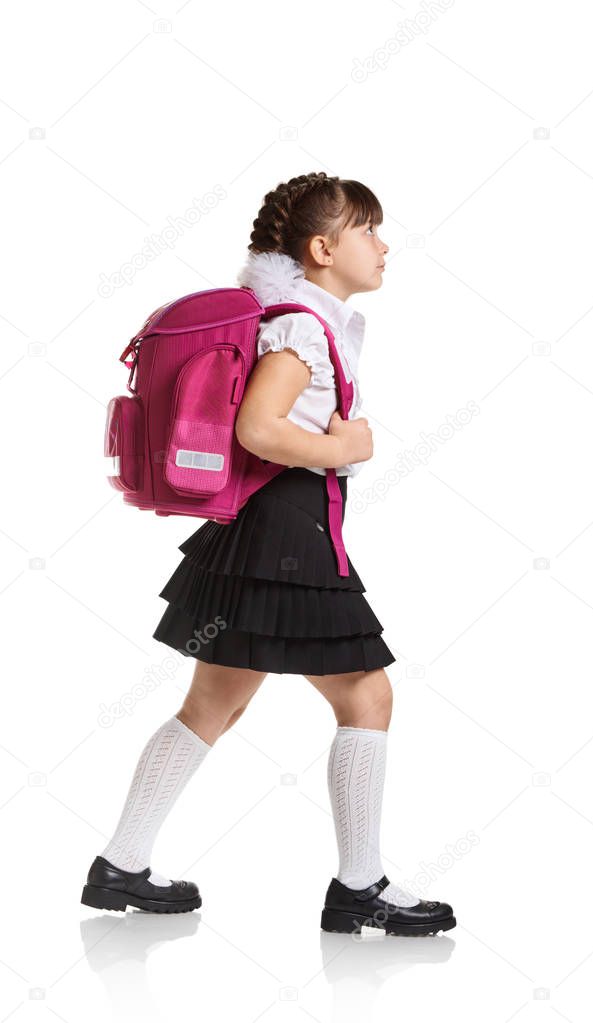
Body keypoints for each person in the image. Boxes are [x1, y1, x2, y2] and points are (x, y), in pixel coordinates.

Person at [80, 172, 456, 935]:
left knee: (214, 703)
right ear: (323, 248)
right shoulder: (303, 328)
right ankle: (360, 886)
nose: (383, 245)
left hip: (258, 533)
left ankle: (121, 864)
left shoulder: (307, 320)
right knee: (366, 696)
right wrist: (340, 446)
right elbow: (258, 427)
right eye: (368, 230)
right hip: (287, 534)